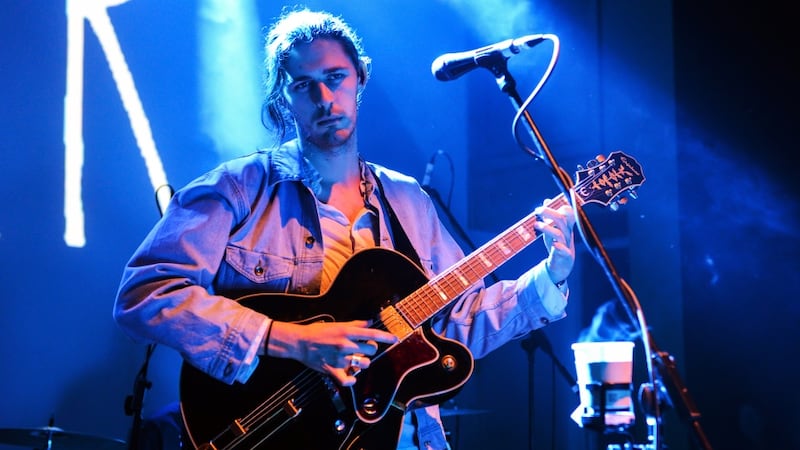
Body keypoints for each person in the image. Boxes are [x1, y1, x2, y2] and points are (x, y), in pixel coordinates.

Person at [113, 7, 576, 450]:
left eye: (335, 78)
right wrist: (291, 340)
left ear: (360, 79)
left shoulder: (408, 199)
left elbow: (455, 323)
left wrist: (551, 274)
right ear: (283, 97)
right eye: (303, 85)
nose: (324, 99)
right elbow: (145, 295)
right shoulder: (235, 189)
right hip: (280, 432)